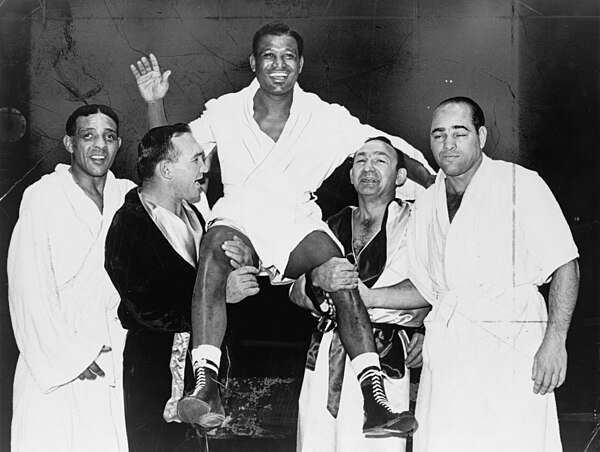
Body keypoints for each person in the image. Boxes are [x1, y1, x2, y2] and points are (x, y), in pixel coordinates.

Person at [131, 22, 435, 435]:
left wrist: (441, 187)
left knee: (338, 269)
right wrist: (154, 103)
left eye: (288, 56)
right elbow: (170, 154)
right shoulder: (224, 109)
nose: (279, 65)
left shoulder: (326, 116)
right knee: (215, 245)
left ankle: (374, 400)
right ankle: (206, 385)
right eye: (269, 56)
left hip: (295, 220)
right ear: (253, 62)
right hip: (241, 213)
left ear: (301, 63)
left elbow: (394, 147)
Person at [408, 97, 580, 451]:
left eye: (460, 133)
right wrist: (370, 299)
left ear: (481, 136)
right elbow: (427, 287)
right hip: (449, 354)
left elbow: (566, 264)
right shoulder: (426, 203)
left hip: (512, 348)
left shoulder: (520, 182)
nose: (448, 145)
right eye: (438, 135)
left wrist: (555, 340)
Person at [104, 124, 259, 451]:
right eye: (196, 160)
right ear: (166, 170)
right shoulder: (129, 223)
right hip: (154, 374)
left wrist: (246, 259)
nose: (205, 169)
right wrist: (221, 295)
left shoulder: (195, 215)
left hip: (206, 367)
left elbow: (218, 281)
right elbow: (146, 308)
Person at [290, 137, 430, 451]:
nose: (368, 167)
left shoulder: (420, 223)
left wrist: (423, 327)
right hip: (327, 356)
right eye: (360, 160)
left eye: (380, 160)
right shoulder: (328, 226)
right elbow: (294, 291)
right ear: (351, 176)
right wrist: (317, 277)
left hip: (386, 354)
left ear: (401, 177)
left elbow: (436, 288)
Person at [7, 104, 134, 452]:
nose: (99, 146)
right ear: (69, 143)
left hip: (114, 352)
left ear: (119, 144)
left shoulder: (128, 196)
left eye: (109, 137)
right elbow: (27, 287)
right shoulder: (43, 196)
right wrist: (69, 357)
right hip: (54, 358)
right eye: (88, 136)